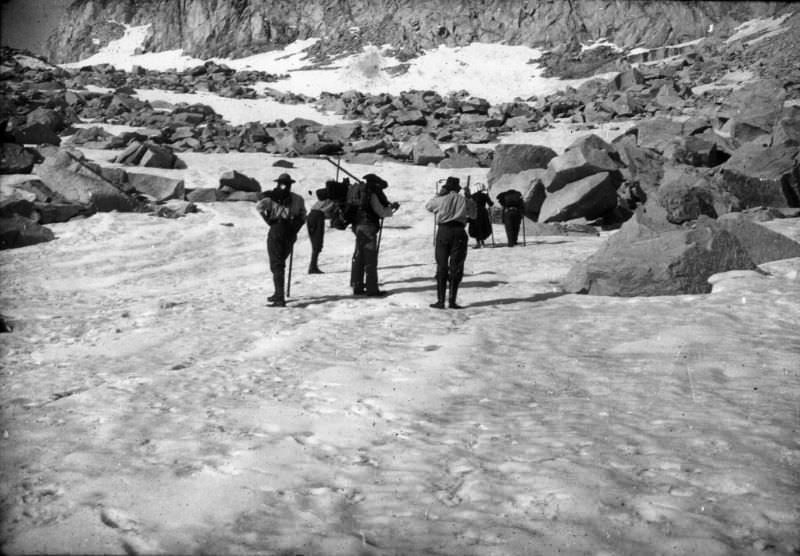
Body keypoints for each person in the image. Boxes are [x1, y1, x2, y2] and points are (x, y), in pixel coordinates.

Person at [255, 173, 307, 307]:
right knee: (280, 261)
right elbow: (302, 216)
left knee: (276, 263)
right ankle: (278, 293)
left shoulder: (271, 197)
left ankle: (279, 296)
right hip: (290, 232)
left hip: (277, 229)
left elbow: (259, 207)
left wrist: (268, 219)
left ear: (278, 183)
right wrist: (295, 228)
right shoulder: (298, 198)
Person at [425, 176, 476, 309]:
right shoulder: (464, 200)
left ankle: (440, 301)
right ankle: (452, 301)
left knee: (442, 265)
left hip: (444, 231)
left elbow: (429, 206)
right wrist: (469, 197)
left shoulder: (442, 199)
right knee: (456, 266)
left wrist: (438, 194)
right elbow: (474, 215)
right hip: (459, 232)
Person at [350, 173, 399, 297]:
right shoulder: (371, 194)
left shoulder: (358, 192)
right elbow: (381, 212)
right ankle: (372, 289)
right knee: (370, 257)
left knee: (359, 256)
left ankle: (357, 286)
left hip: (358, 226)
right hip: (368, 227)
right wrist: (391, 209)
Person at [306, 183, 339, 274]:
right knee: (317, 243)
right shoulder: (332, 200)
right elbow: (331, 213)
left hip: (310, 215)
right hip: (318, 217)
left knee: (315, 243)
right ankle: (312, 267)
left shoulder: (322, 199)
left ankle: (313, 265)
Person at [466, 184, 494, 248]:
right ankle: (482, 242)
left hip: (474, 212)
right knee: (483, 226)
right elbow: (491, 204)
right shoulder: (484, 195)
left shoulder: (472, 196)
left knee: (475, 227)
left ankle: (478, 242)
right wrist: (488, 196)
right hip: (483, 212)